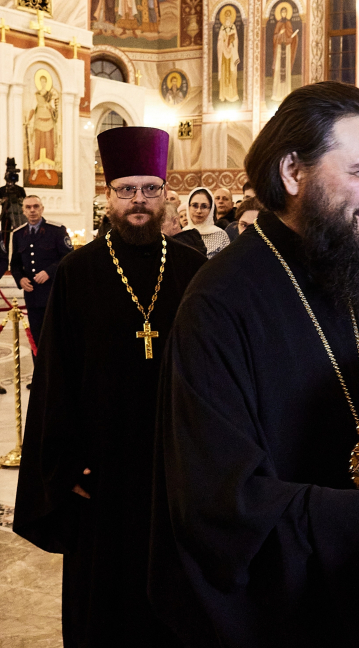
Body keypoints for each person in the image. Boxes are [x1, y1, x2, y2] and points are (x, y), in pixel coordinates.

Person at [148, 81, 359, 648]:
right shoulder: (222, 301)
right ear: (292, 172)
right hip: (277, 611)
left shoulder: (350, 273)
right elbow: (221, 497)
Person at [13, 126, 206, 648]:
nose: (138, 201)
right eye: (126, 190)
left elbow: (217, 375)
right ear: (108, 196)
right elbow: (55, 379)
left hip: (178, 472)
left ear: (166, 193)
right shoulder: (77, 272)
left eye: (149, 188)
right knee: (104, 608)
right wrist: (63, 464)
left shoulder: (195, 270)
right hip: (101, 474)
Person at [10, 195, 73, 365]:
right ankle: (40, 378)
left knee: (56, 335)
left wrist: (49, 272)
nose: (32, 210)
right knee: (36, 337)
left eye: (36, 206)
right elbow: (15, 264)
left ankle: (57, 378)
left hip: (54, 293)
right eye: (28, 207)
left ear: (42, 208)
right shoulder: (18, 234)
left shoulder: (56, 230)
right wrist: (20, 278)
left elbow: (68, 257)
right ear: (23, 211)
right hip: (32, 295)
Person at [183, 187, 230, 258]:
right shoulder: (182, 234)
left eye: (204, 206)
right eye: (195, 206)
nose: (199, 211)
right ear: (188, 207)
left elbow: (227, 263)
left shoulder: (220, 235)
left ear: (211, 209)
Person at [1, 157, 26, 251]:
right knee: (4, 238)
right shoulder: (2, 190)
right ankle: (4, 258)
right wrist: (4, 200)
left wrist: (19, 199)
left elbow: (24, 202)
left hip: (19, 215)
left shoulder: (20, 190)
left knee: (20, 235)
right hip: (6, 215)